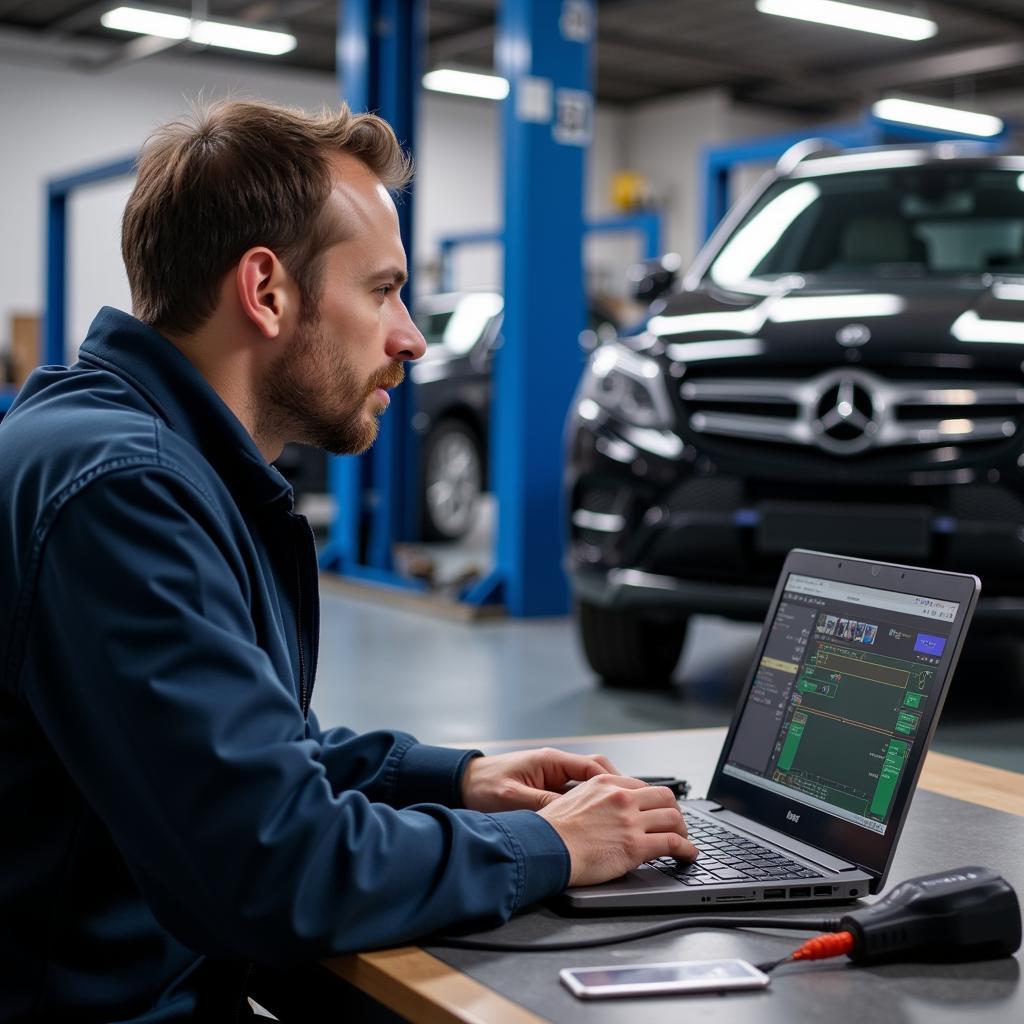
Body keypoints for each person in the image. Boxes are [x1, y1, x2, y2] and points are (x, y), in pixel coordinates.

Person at [0, 100, 696, 1021]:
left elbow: (234, 760)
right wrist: (549, 845)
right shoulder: (122, 487)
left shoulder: (133, 451)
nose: (409, 336)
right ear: (267, 291)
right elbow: (274, 867)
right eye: (381, 289)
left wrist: (456, 780)